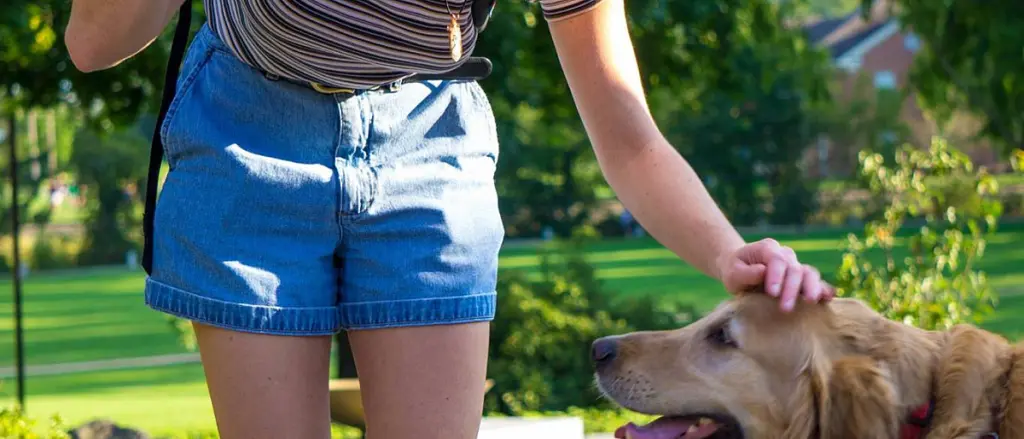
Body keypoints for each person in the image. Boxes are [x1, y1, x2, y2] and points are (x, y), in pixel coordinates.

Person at [65, 1, 834, 438]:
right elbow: (92, 43)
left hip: (429, 143)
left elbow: (629, 140)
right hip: (249, 132)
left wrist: (731, 254)